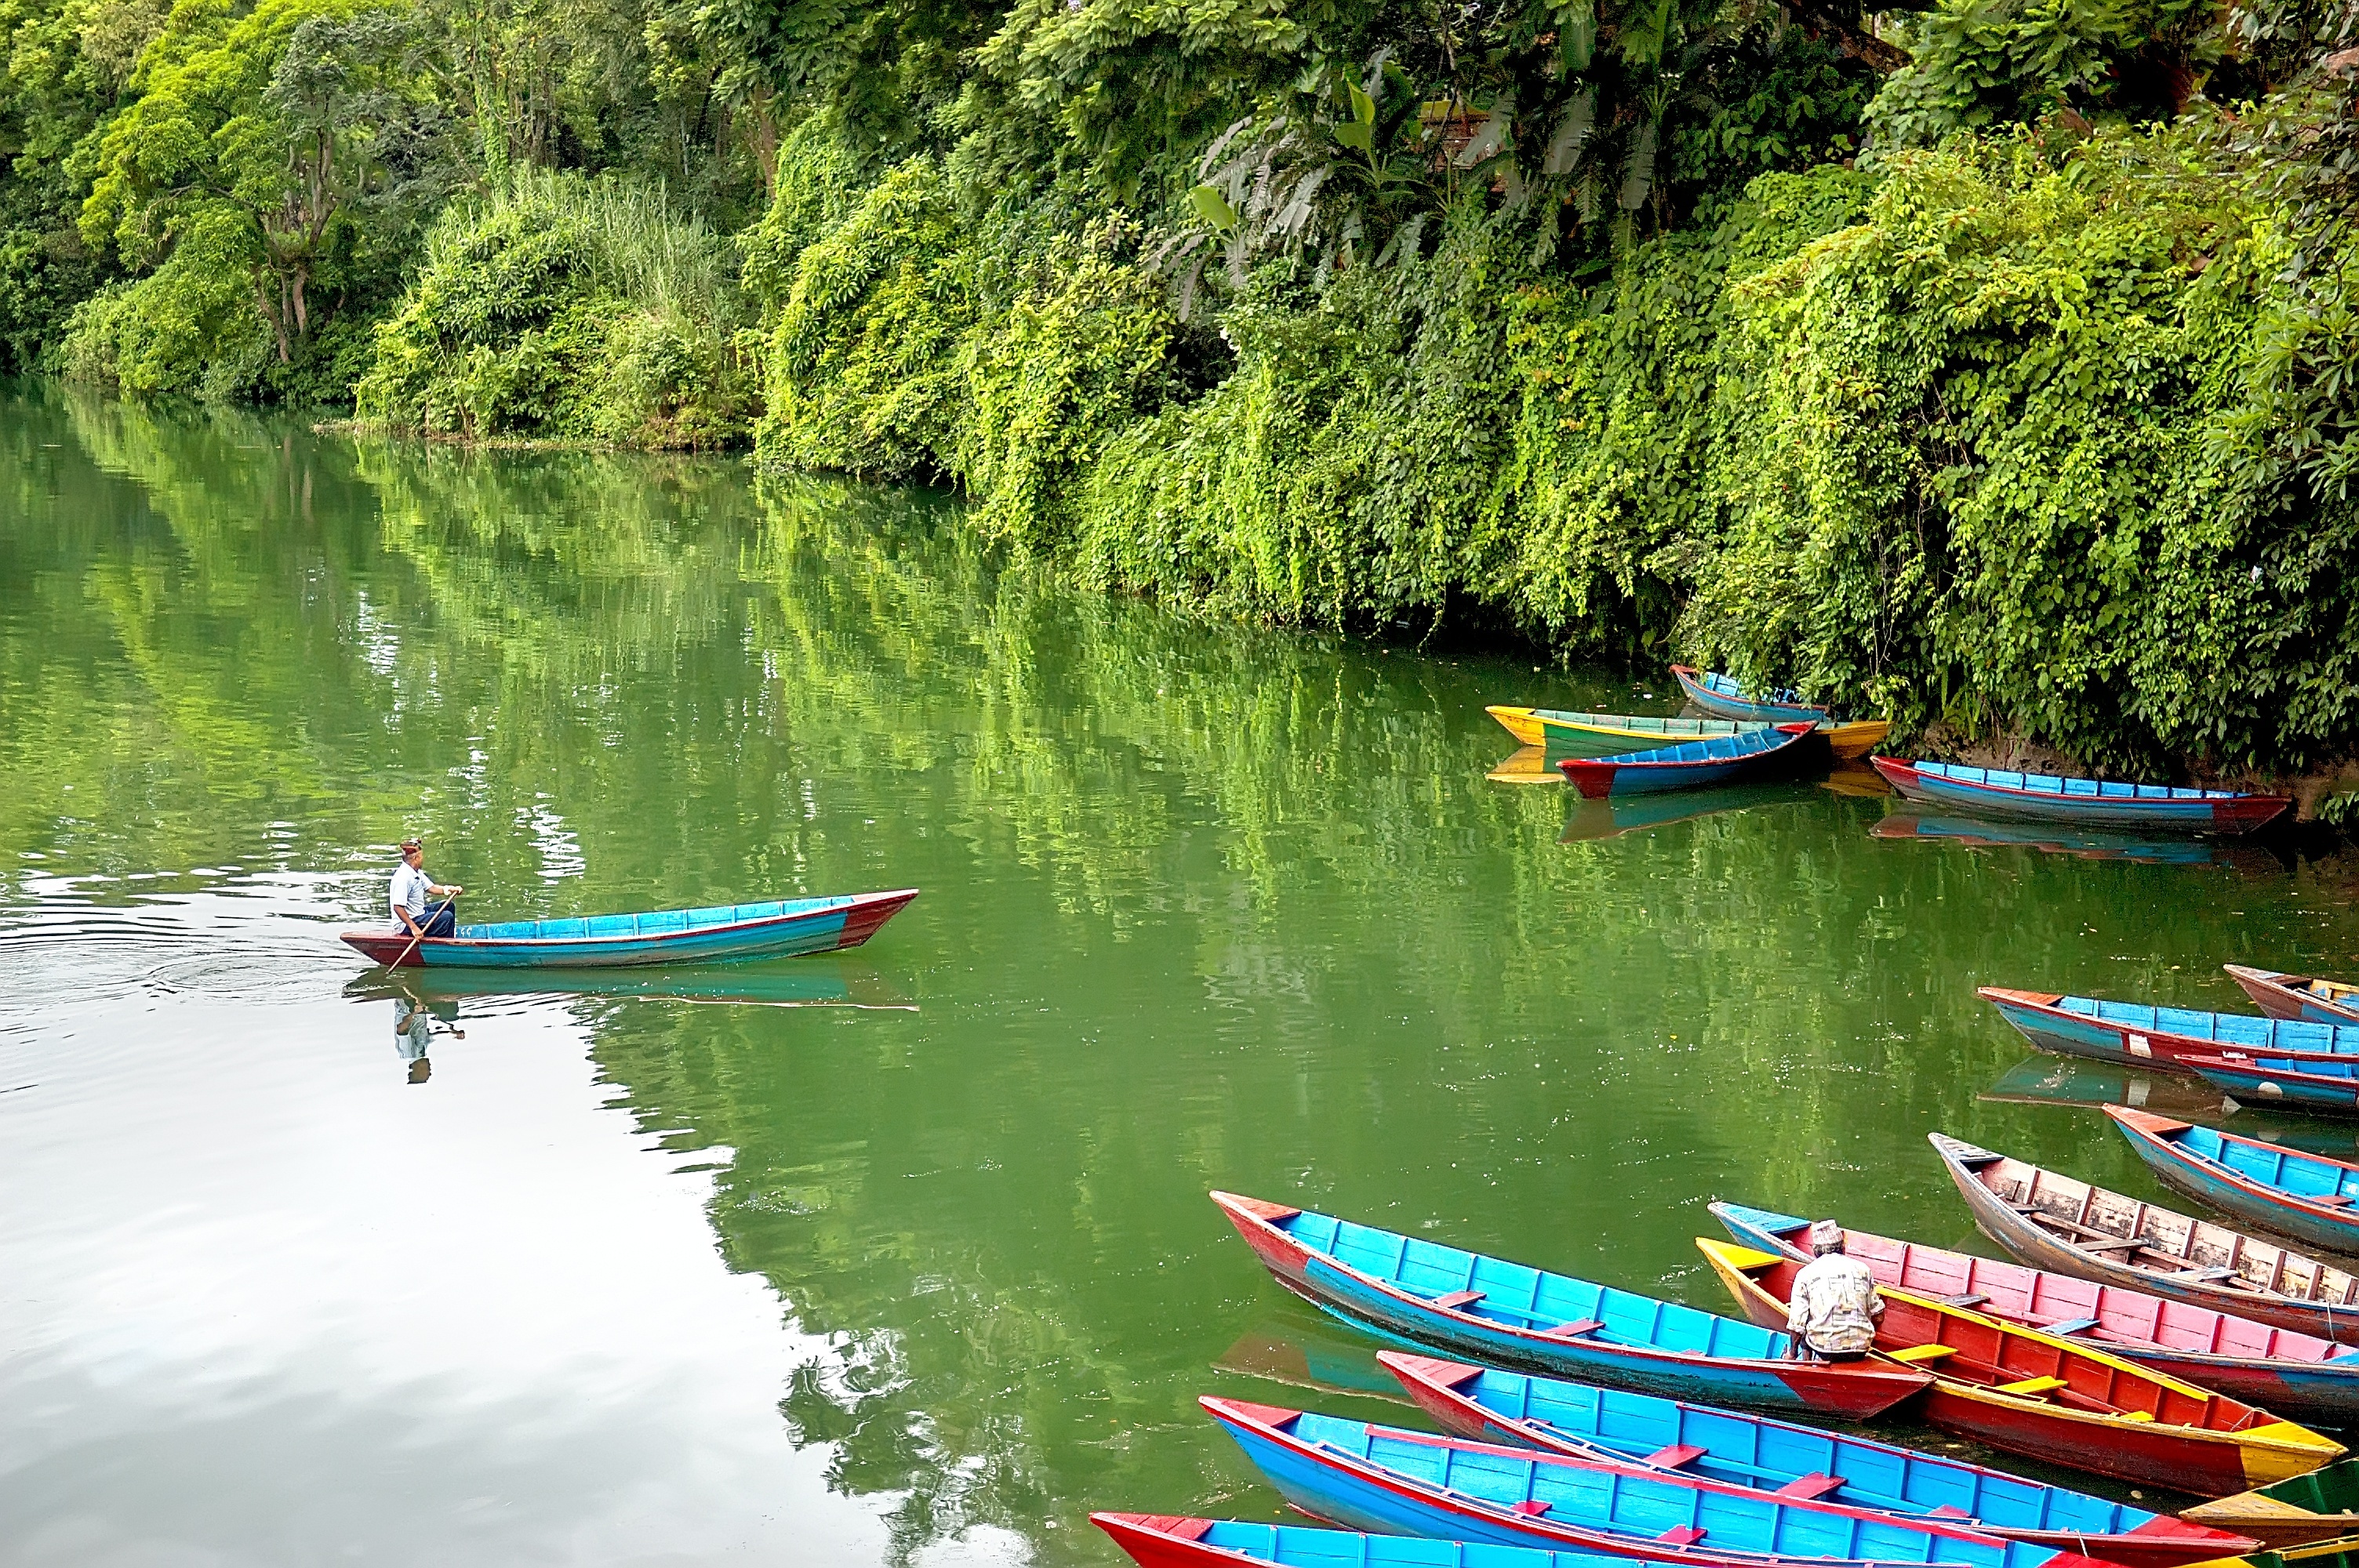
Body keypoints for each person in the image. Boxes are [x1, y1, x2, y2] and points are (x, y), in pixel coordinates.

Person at [1785, 1219, 1883, 1362]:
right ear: (1842, 1246)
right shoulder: (1863, 1269)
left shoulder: (1805, 1274)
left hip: (1825, 1350)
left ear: (1816, 1250)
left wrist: (1791, 1355)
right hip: (1860, 1349)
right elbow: (1878, 1316)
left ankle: (1806, 1365)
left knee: (1804, 1325)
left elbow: (1796, 1325)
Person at [390, 837, 463, 940]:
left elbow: (432, 888)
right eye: (421, 857)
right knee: (446, 917)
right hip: (406, 924)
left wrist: (450, 889)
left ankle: (445, 938)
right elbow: (398, 907)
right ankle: (446, 946)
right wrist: (414, 928)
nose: (423, 859)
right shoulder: (403, 878)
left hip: (419, 913)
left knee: (449, 906)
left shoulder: (416, 872)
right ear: (415, 859)